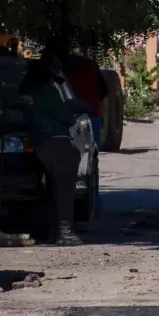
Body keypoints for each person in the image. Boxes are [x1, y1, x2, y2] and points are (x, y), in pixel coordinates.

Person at [19, 53, 89, 245]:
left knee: (53, 189)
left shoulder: (24, 93)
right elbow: (66, 117)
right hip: (58, 142)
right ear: (47, 75)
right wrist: (73, 109)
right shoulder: (47, 92)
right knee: (65, 189)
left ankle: (54, 232)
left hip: (40, 143)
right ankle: (65, 232)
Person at [63, 50, 110, 149]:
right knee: (93, 153)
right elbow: (103, 97)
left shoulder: (62, 69)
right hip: (91, 115)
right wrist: (103, 121)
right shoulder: (92, 68)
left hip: (69, 117)